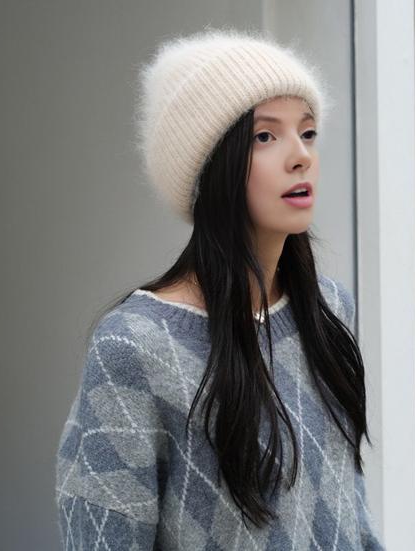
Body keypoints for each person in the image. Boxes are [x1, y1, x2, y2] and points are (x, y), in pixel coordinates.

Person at [54, 25, 385, 550]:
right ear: (212, 167)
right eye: (264, 136)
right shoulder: (136, 347)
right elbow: (102, 537)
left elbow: (349, 512)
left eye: (307, 132)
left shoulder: (328, 309)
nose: (300, 155)